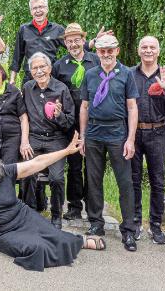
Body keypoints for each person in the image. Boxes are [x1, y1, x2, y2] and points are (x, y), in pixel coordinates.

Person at [0, 134, 107, 272]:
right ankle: (69, 245)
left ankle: (80, 241)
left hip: (24, 217)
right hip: (2, 233)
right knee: (37, 248)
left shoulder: (6, 172)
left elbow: (38, 162)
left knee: (54, 235)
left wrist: (66, 151)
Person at [79, 34, 140, 251]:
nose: (106, 54)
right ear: (97, 52)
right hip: (94, 132)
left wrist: (130, 139)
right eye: (102, 51)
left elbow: (132, 107)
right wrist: (83, 137)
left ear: (117, 51)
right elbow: (84, 107)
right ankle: (96, 224)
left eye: (110, 50)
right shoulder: (90, 74)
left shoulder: (126, 75)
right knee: (93, 181)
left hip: (117, 132)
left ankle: (129, 230)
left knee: (125, 183)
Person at [130, 36, 165, 243]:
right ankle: (135, 222)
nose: (148, 51)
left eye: (152, 47)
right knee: (133, 179)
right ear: (138, 51)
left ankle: (155, 225)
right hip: (134, 133)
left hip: (157, 133)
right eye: (144, 47)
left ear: (158, 51)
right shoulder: (129, 75)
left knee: (157, 181)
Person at [51, 23, 101, 221]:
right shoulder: (59, 65)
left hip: (94, 121)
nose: (73, 44)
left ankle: (93, 204)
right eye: (69, 41)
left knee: (93, 165)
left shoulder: (96, 61)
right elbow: (53, 90)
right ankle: (73, 205)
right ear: (65, 43)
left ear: (83, 40)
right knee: (74, 165)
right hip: (70, 122)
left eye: (76, 40)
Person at [21, 52, 75, 229]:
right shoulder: (27, 88)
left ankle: (56, 214)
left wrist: (59, 115)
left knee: (57, 178)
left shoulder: (61, 89)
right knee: (27, 173)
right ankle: (29, 212)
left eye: (42, 67)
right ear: (31, 71)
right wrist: (24, 141)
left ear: (50, 68)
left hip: (56, 140)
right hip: (34, 139)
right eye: (35, 68)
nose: (39, 71)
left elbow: (69, 122)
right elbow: (22, 117)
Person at [9, 0, 106, 85]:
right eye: (34, 8)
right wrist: (12, 79)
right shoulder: (24, 29)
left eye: (41, 7)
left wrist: (95, 40)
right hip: (30, 78)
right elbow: (17, 56)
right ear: (31, 11)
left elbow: (74, 44)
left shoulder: (57, 29)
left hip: (51, 78)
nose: (38, 10)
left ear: (47, 9)